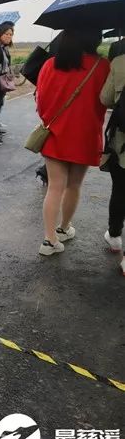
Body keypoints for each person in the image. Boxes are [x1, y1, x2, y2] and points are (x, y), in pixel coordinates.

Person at [35, 29, 110, 256]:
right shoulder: (102, 65)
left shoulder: (50, 64)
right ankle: (64, 228)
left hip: (55, 133)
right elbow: (105, 101)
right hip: (85, 136)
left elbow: (40, 100)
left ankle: (49, 240)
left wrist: (51, 120)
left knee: (54, 187)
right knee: (73, 186)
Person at [99, 50, 125, 275]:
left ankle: (115, 236)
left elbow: (105, 98)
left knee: (120, 189)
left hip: (123, 145)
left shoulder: (119, 62)